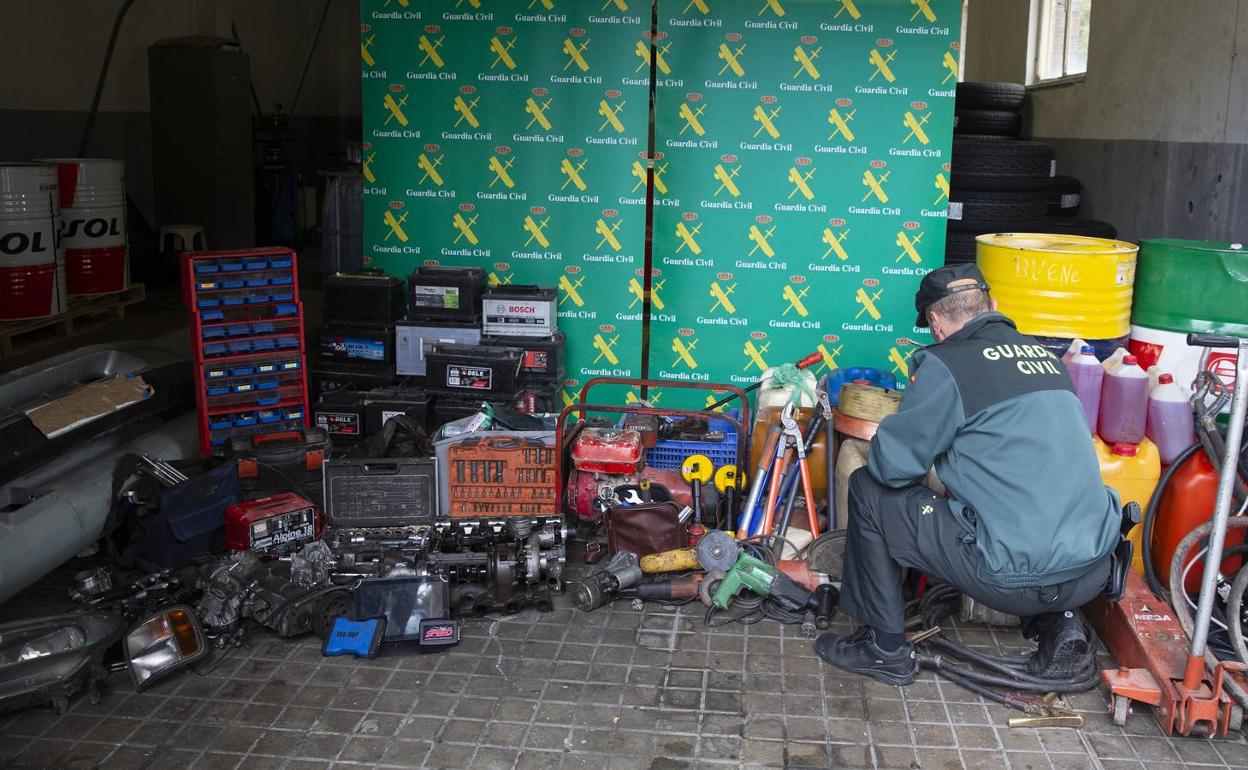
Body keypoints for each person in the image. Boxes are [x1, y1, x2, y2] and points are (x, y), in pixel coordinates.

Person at [815, 264, 1121, 686]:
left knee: (868, 488)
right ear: (991, 305)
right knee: (1035, 503)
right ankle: (1061, 624)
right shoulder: (1046, 358)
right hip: (1091, 570)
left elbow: (894, 468)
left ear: (936, 322)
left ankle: (883, 648)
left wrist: (903, 428)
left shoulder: (948, 364)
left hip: (1014, 579)